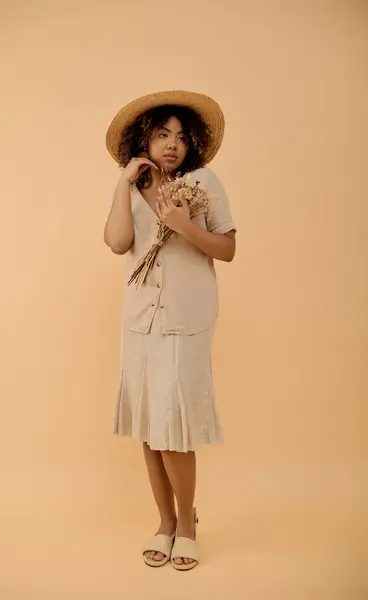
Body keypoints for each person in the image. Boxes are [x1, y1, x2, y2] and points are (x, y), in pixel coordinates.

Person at [104, 91, 236, 571]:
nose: (173, 145)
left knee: (174, 427)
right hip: (140, 320)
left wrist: (182, 225)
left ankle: (187, 526)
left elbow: (227, 249)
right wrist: (123, 186)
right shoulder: (132, 184)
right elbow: (119, 242)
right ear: (144, 139)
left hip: (187, 318)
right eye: (163, 134)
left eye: (181, 137)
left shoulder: (204, 182)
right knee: (149, 425)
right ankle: (165, 522)